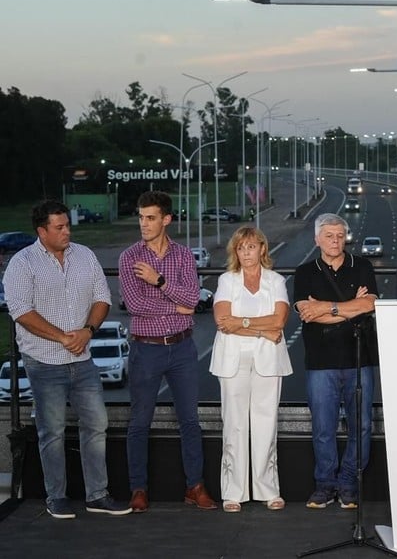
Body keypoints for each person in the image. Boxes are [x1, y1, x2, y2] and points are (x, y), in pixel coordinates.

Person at [2, 200, 131, 519]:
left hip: (83, 359)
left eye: (67, 225)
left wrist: (87, 331)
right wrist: (62, 337)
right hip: (43, 361)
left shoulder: (85, 255)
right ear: (41, 231)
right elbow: (20, 311)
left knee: (97, 423)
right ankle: (55, 496)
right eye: (59, 227)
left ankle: (97, 495)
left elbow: (103, 298)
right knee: (52, 430)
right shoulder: (23, 263)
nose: (67, 231)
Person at [119, 191, 217, 512]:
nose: (143, 224)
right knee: (139, 422)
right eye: (140, 217)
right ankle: (138, 489)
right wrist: (176, 305)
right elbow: (135, 306)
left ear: (166, 219)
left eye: (150, 218)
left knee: (190, 420)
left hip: (183, 349)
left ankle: (195, 486)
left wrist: (159, 280)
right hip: (146, 351)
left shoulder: (184, 255)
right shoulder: (129, 257)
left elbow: (192, 301)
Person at [293, 213, 378, 510]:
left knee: (362, 427)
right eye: (329, 235)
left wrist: (325, 308)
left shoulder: (363, 266)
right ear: (317, 239)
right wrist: (349, 307)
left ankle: (348, 484)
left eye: (340, 236)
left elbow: (369, 305)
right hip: (321, 361)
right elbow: (306, 312)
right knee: (323, 427)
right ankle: (325, 485)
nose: (335, 241)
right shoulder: (304, 273)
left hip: (359, 358)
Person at [209, 226, 293, 512]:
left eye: (251, 247)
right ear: (236, 251)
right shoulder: (226, 280)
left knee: (265, 424)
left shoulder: (276, 280)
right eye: (241, 247)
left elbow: (279, 321)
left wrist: (242, 323)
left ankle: (268, 490)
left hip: (269, 360)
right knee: (234, 424)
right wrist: (260, 330)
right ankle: (233, 492)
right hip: (233, 360)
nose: (246, 252)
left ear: (262, 249)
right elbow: (223, 321)